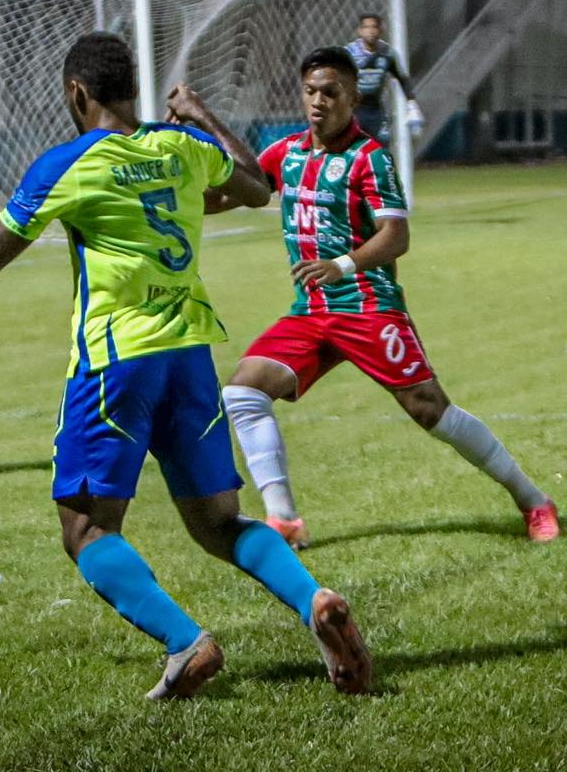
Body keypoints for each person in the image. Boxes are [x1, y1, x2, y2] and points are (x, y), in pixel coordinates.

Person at [0, 32, 372, 699]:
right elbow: (258, 187)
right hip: (190, 358)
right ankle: (311, 599)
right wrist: (200, 116)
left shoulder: (69, 162)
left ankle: (186, 643)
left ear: (76, 93)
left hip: (116, 365)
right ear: (132, 91)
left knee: (85, 528)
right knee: (217, 522)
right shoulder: (181, 148)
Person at [219, 46, 559, 549]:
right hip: (313, 312)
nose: (318, 102)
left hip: (367, 306)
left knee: (430, 410)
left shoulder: (369, 158)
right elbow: (233, 193)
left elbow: (396, 236)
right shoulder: (286, 153)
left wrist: (341, 265)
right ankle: (283, 518)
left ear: (353, 97)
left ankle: (533, 500)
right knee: (243, 393)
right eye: (311, 91)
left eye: (330, 93)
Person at [345, 13, 423, 145]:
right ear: (360, 31)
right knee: (353, 149)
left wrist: (412, 105)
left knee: (381, 148)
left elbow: (402, 79)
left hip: (375, 110)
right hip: (353, 110)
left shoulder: (387, 53)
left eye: (374, 27)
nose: (370, 31)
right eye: (366, 27)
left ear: (380, 30)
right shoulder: (349, 52)